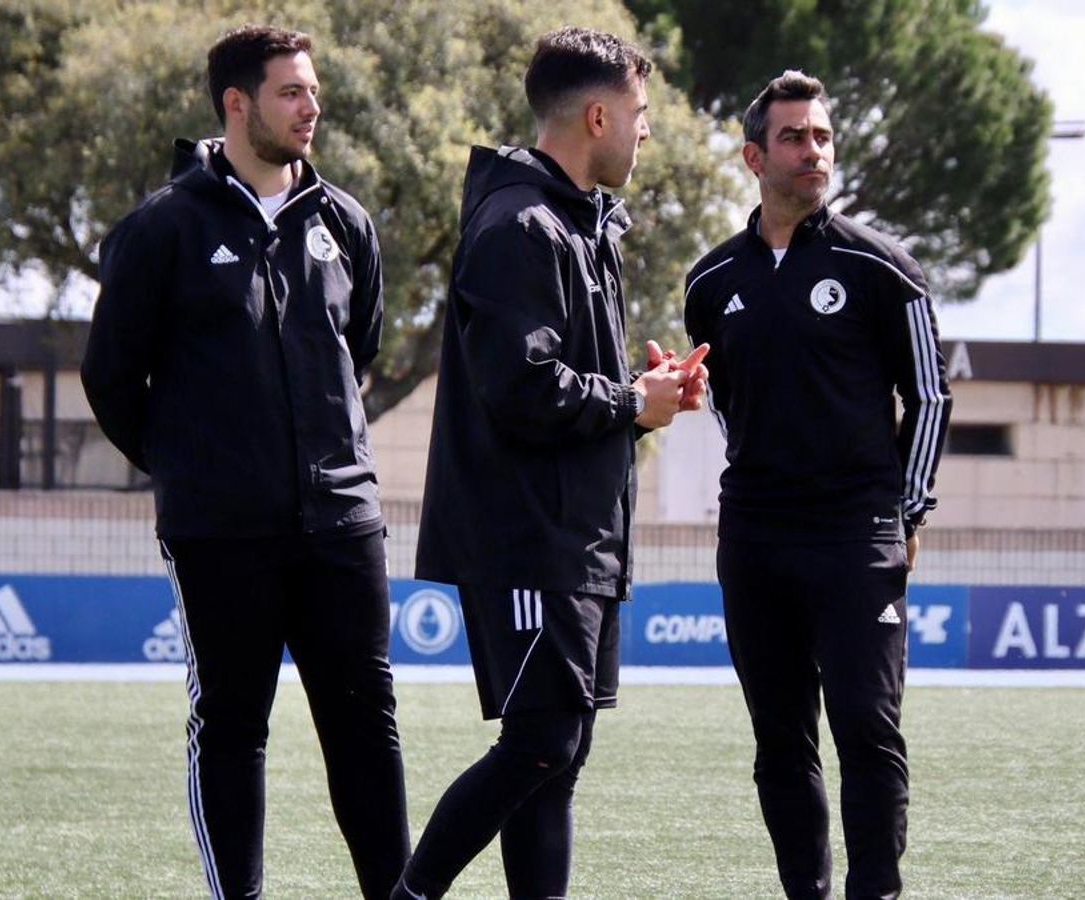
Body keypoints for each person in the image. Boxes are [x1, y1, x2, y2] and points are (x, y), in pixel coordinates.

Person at [81, 25, 409, 899]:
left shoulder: (346, 223)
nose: (312, 107)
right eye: (291, 92)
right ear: (237, 103)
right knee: (231, 726)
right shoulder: (162, 228)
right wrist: (188, 469)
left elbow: (359, 350)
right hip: (220, 532)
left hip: (342, 523)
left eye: (313, 91)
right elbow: (110, 378)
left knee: (366, 723)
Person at [396, 27, 702, 899]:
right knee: (541, 744)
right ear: (598, 116)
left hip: (579, 540)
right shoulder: (520, 225)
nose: (647, 131)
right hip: (529, 541)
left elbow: (565, 382)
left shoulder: (583, 224)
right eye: (640, 113)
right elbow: (521, 387)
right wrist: (629, 402)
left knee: (559, 757)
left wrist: (649, 393)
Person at [683, 71, 952, 900]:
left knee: (867, 728)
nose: (814, 152)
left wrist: (908, 510)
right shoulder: (710, 282)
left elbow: (931, 397)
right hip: (754, 537)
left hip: (856, 535)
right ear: (754, 157)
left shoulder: (883, 267)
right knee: (780, 740)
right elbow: (725, 404)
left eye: (823, 137)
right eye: (795, 137)